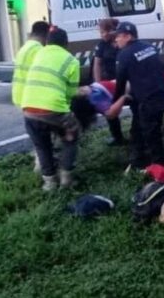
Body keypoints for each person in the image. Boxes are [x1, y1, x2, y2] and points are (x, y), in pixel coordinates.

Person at [20, 27, 81, 191]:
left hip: (28, 108)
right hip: (54, 110)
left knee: (42, 145)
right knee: (71, 137)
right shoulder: (71, 61)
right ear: (66, 44)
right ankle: (66, 178)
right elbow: (71, 92)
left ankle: (49, 183)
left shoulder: (38, 54)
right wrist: (68, 113)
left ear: (47, 42)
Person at [109, 21, 164, 170]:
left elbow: (121, 83)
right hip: (161, 95)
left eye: (119, 36)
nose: (116, 39)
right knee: (138, 129)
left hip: (148, 100)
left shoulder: (124, 55)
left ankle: (162, 169)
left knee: (152, 135)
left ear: (128, 36)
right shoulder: (149, 47)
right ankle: (137, 160)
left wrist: (115, 102)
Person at [92, 18, 124, 146]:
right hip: (109, 82)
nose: (103, 34)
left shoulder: (122, 42)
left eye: (106, 31)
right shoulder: (101, 45)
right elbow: (97, 64)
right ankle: (117, 137)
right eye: (101, 32)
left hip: (124, 80)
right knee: (109, 109)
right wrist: (98, 83)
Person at [11, 21, 50, 108]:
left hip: (19, 95)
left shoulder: (25, 47)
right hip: (31, 97)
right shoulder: (38, 50)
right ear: (46, 35)